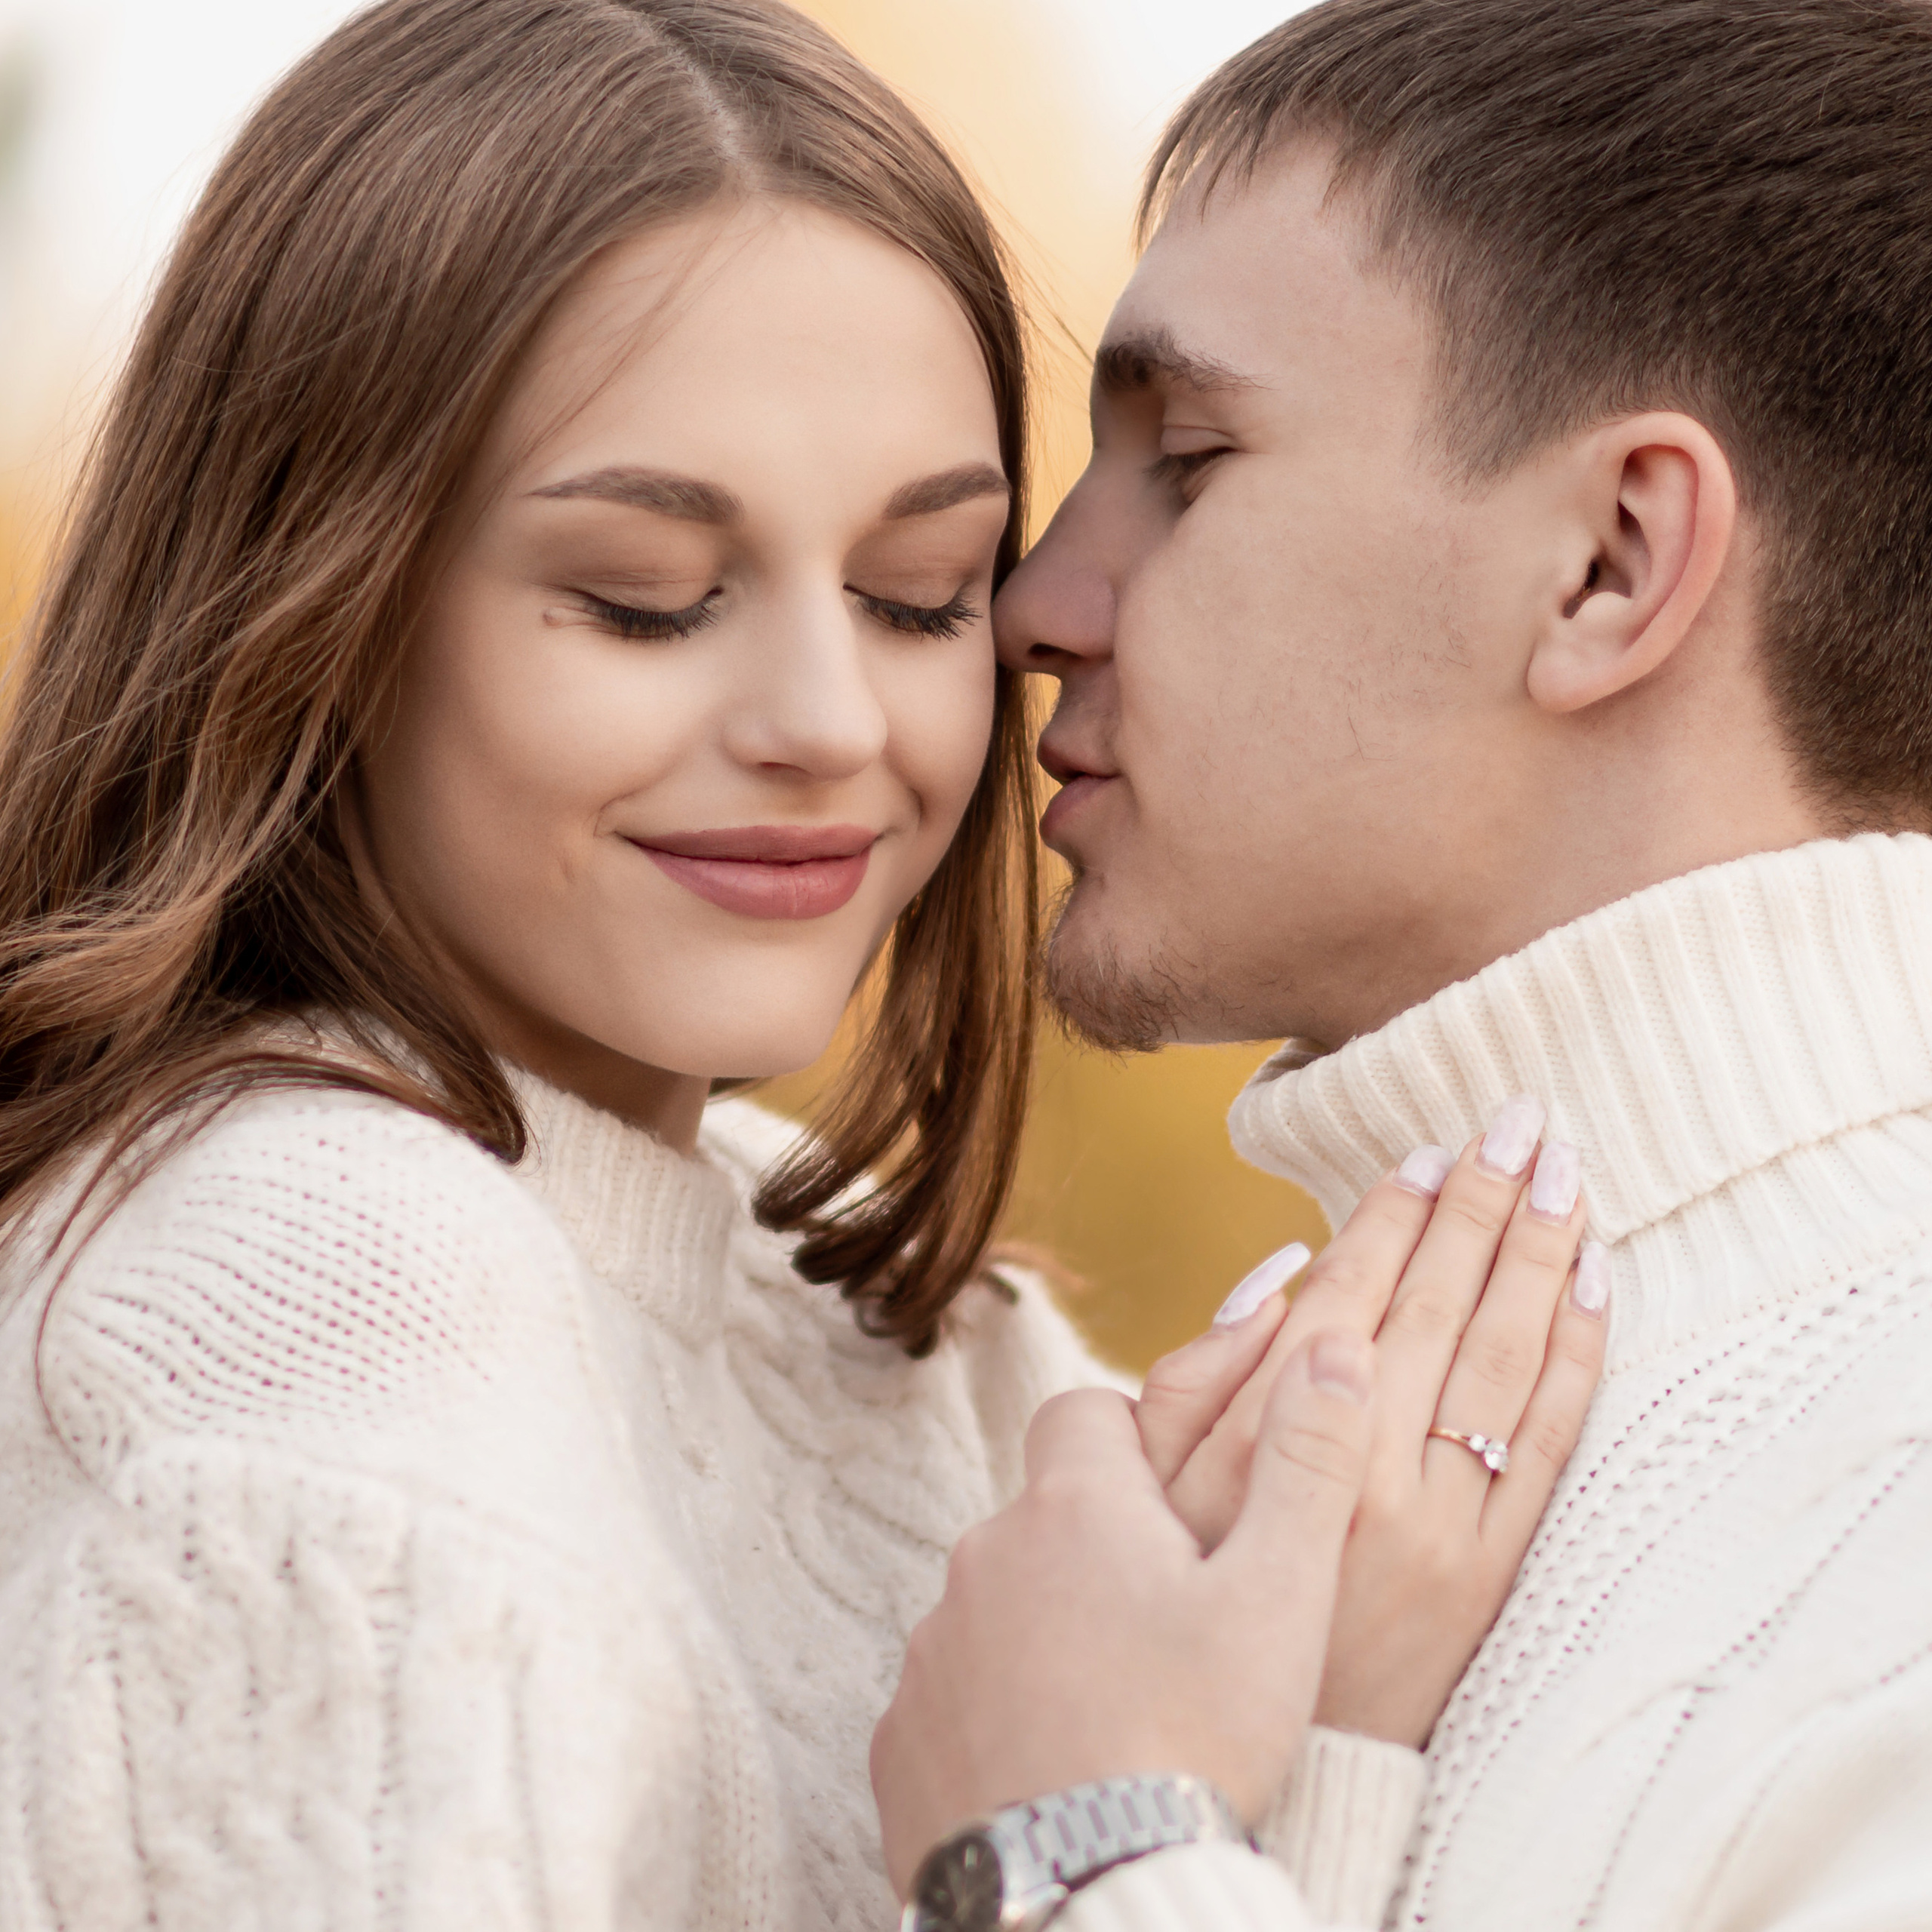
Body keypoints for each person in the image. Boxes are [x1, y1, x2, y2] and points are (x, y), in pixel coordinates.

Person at [0, 2, 1604, 1928]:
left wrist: (1293, 1752)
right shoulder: (328, 1294)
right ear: (310, 608)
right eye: (646, 601)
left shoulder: (902, 1334)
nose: (828, 721)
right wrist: (1085, 1839)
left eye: (918, 596)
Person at [875, 2, 1932, 1929]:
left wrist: (1072, 1850)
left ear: (1608, 562)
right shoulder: (1284, 1459)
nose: (1031, 604)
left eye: (1189, 457)